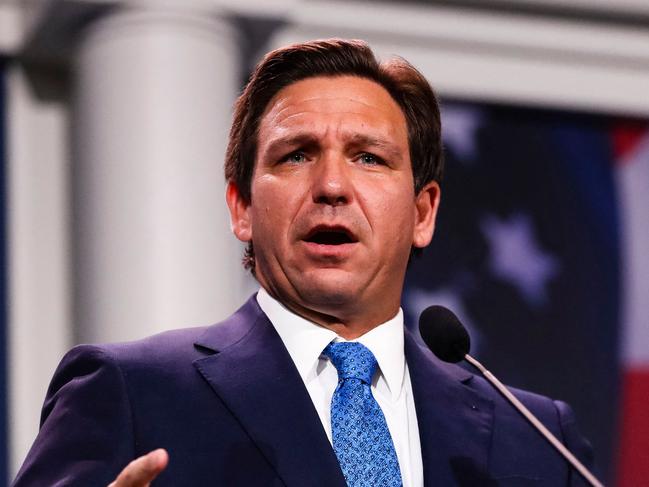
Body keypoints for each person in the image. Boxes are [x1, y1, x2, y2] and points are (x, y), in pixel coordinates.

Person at [13, 39, 594, 487]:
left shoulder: (539, 437)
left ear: (423, 212)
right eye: (296, 155)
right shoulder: (131, 393)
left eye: (369, 157)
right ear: (241, 207)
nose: (332, 186)